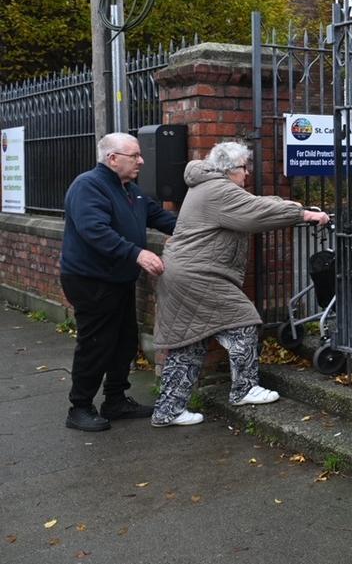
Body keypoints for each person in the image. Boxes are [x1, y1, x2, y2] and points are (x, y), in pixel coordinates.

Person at [150, 141, 329, 427]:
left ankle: (168, 409)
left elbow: (252, 204)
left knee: (190, 343)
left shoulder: (207, 186)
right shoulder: (218, 189)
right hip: (199, 275)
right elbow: (253, 213)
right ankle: (244, 388)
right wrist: (303, 214)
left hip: (183, 272)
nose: (247, 174)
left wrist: (288, 205)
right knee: (243, 322)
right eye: (244, 168)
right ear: (230, 169)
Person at [60, 132, 178, 432]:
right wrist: (137, 254)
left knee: (124, 341)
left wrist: (201, 228)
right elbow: (94, 231)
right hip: (90, 280)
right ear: (112, 159)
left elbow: (165, 220)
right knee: (96, 344)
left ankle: (115, 400)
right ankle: (80, 407)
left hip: (119, 280)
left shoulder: (132, 191)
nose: (141, 160)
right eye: (134, 155)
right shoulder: (88, 186)